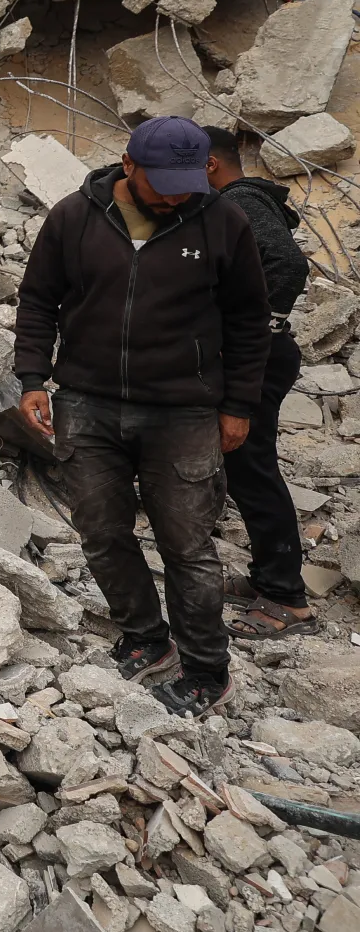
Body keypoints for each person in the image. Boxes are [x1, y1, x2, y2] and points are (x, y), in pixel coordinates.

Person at [14, 115, 269, 717]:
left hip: (185, 411)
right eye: (165, 185)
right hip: (87, 402)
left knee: (188, 546)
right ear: (128, 165)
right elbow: (38, 299)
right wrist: (32, 379)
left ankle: (206, 670)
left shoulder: (222, 221)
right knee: (102, 531)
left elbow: (249, 320)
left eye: (189, 185)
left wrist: (238, 405)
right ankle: (145, 636)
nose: (179, 197)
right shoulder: (73, 218)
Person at [202, 125, 314, 638]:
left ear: (209, 165)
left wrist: (253, 331)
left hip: (259, 359)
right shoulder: (240, 203)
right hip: (257, 356)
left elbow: (288, 264)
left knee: (253, 468)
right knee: (245, 467)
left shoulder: (240, 202)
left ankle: (287, 598)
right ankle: (269, 576)